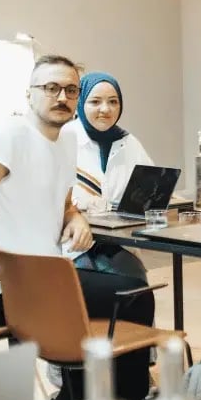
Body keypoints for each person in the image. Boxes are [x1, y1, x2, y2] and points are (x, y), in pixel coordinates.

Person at [0, 55, 154, 400]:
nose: (62, 96)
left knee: (124, 291)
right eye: (51, 88)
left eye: (70, 90)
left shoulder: (64, 143)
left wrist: (74, 216)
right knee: (132, 297)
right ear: (29, 94)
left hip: (45, 278)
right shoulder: (10, 133)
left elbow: (63, 200)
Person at [69, 71, 152, 281]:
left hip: (117, 241)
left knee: (135, 285)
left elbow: (151, 188)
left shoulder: (129, 142)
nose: (105, 109)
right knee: (90, 285)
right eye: (95, 101)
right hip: (72, 242)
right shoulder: (64, 138)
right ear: (80, 103)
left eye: (113, 102)